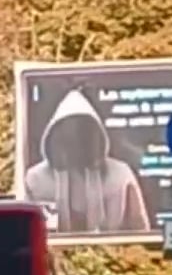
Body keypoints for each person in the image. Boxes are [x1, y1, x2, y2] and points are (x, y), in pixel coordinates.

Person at [21, 87, 150, 235]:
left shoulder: (121, 176)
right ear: (55, 136)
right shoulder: (35, 180)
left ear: (95, 135)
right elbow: (28, 235)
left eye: (82, 132)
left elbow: (141, 234)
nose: (75, 141)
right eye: (67, 134)